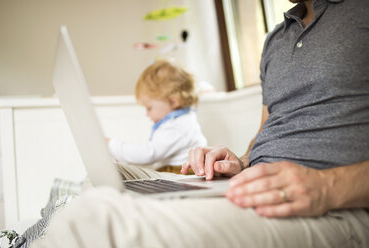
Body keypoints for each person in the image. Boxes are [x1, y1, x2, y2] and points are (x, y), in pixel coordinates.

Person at [31, 0, 369, 247]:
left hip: (333, 205)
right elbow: (266, 133)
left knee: (92, 219)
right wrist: (239, 161)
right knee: (108, 177)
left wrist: (327, 187)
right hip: (252, 185)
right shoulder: (275, 41)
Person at [107, 60, 207, 173]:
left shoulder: (177, 126)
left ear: (173, 101)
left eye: (149, 108)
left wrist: (113, 146)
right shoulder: (182, 119)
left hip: (182, 173)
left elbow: (148, 154)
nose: (147, 114)